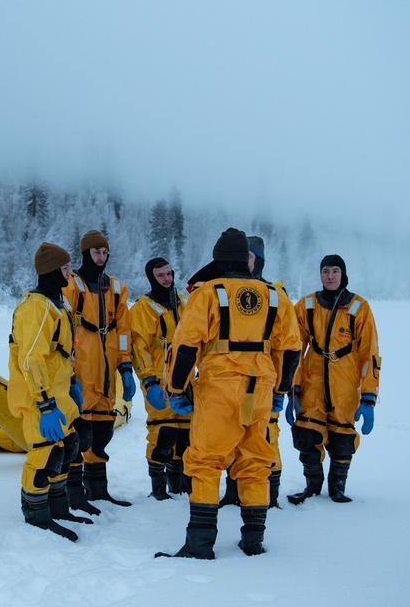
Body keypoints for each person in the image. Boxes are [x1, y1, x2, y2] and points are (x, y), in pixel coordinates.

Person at [158, 228, 302, 559]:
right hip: (261, 387)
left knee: (206, 461)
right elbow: (292, 349)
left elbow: (185, 346)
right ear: (246, 260)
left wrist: (176, 388)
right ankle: (253, 540)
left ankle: (200, 544)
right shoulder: (276, 296)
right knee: (254, 462)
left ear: (219, 259)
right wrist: (280, 389)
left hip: (219, 386)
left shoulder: (209, 292)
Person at [8, 242, 91, 541]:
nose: (70, 272)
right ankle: (36, 514)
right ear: (52, 270)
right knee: (44, 456)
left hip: (61, 393)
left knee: (66, 448)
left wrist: (71, 385)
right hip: (39, 398)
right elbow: (31, 358)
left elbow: (62, 353)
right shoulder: (36, 307)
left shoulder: (59, 303)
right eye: (66, 267)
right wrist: (44, 404)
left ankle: (58, 506)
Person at [286, 254, 381, 504]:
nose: (330, 276)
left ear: (343, 274)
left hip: (345, 386)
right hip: (311, 382)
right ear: (320, 274)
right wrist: (291, 389)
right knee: (307, 436)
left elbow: (370, 354)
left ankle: (337, 489)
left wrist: (369, 397)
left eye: (335, 271)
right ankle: (312, 488)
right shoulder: (307, 305)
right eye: (325, 271)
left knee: (342, 439)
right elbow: (293, 348)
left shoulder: (358, 307)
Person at [218, 235, 294, 509]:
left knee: (265, 438)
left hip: (264, 380)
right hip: (230, 379)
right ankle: (232, 491)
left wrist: (282, 387)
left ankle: (269, 495)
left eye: (249, 257)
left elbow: (288, 345)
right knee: (232, 437)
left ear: (258, 261)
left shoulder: (275, 295)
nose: (243, 262)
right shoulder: (224, 291)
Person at [63, 229, 136, 508]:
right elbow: (63, 328)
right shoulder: (71, 285)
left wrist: (126, 365)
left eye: (105, 252)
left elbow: (123, 331)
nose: (101, 257)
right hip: (81, 370)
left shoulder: (116, 288)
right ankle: (73, 493)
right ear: (85, 254)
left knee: (103, 433)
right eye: (96, 252)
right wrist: (68, 373)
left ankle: (98, 489)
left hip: (106, 373)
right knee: (80, 434)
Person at [129, 257, 192, 500]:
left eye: (168, 273)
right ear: (151, 278)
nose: (167, 279)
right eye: (160, 276)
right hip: (158, 378)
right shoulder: (144, 308)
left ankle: (179, 486)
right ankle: (158, 489)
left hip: (185, 379)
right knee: (163, 433)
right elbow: (138, 346)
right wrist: (148, 380)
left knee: (185, 434)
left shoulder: (185, 302)